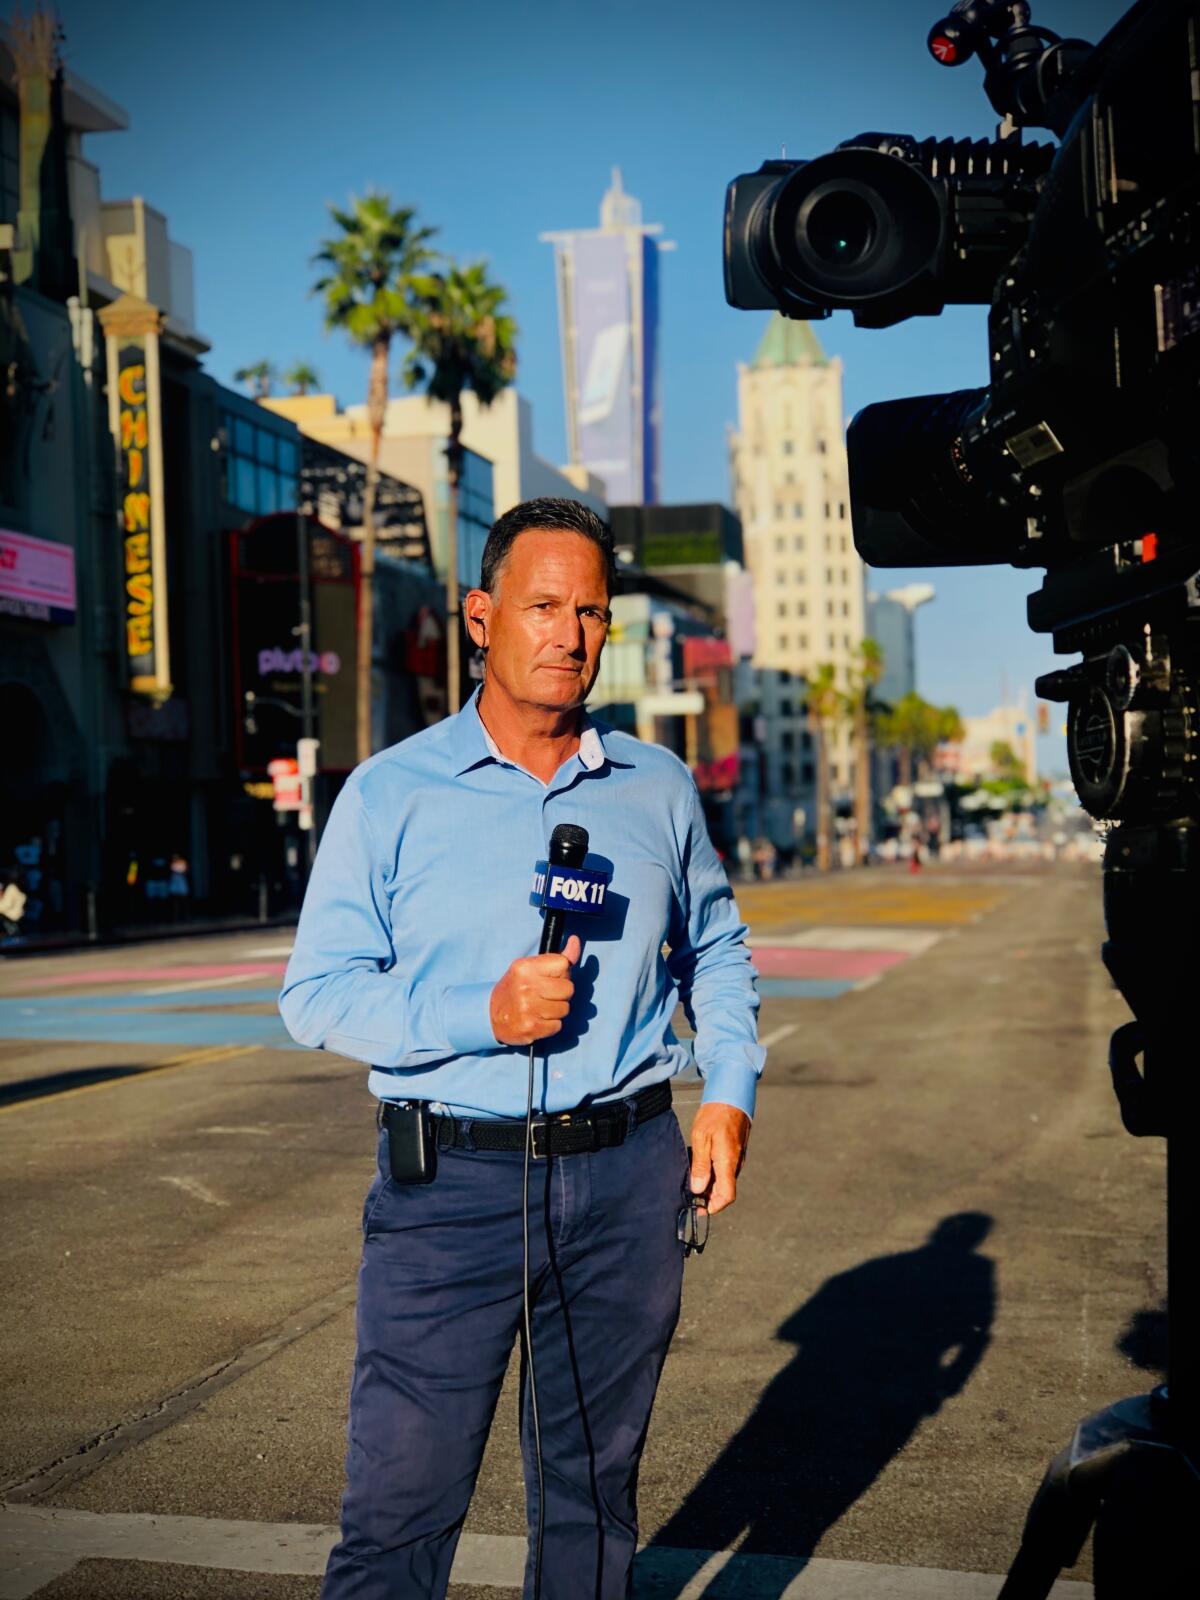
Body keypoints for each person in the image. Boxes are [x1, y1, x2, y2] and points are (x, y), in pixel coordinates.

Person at [280, 498, 764, 1600]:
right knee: (398, 1512)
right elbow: (315, 995)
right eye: (544, 605)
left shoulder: (657, 786)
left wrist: (729, 1087)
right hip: (448, 1188)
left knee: (592, 1504)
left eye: (591, 609)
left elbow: (719, 948)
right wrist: (476, 1014)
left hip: (625, 1178)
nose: (570, 633)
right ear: (482, 616)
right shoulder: (389, 793)